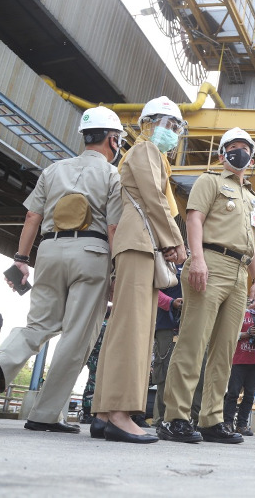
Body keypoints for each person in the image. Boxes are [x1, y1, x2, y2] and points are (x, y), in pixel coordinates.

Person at [0, 106, 124, 433]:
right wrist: (116, 273)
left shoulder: (53, 170)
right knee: (78, 335)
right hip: (92, 252)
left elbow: (32, 218)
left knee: (38, 324)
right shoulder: (112, 176)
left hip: (49, 251)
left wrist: (21, 259)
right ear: (113, 139)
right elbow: (113, 229)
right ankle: (46, 414)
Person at [158, 126, 255, 445]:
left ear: (252, 157)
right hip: (211, 262)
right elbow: (194, 219)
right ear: (222, 153)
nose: (240, 151)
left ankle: (212, 419)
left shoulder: (251, 199)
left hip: (239, 271)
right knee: (193, 341)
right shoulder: (210, 181)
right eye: (233, 146)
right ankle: (175, 417)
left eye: (245, 147)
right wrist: (197, 259)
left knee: (224, 350)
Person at [91, 97, 187, 444]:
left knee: (125, 328)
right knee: (133, 330)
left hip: (138, 242)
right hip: (140, 242)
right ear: (149, 123)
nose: (172, 132)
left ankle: (104, 413)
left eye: (175, 126)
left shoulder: (144, 152)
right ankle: (118, 413)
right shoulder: (147, 151)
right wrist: (175, 240)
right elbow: (154, 198)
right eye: (168, 124)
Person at [222, 289, 255, 436]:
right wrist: (246, 334)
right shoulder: (241, 313)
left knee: (250, 394)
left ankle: (242, 424)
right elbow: (230, 333)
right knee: (233, 392)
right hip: (239, 358)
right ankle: (227, 422)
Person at [152, 265, 183, 427]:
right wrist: (171, 303)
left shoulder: (202, 262)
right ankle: (161, 418)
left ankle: (188, 417)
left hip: (191, 327)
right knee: (164, 373)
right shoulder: (164, 263)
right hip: (167, 327)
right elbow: (152, 289)